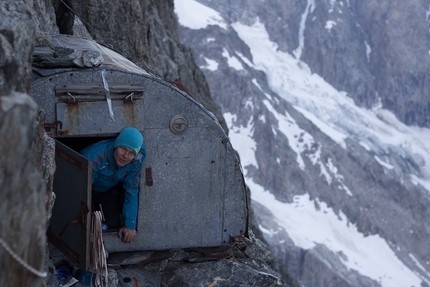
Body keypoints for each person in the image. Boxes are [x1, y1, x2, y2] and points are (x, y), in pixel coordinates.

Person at [81, 127, 146, 243]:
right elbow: (80, 189)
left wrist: (130, 224)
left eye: (131, 152)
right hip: (85, 189)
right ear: (116, 145)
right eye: (123, 148)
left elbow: (132, 190)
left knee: (112, 224)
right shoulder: (95, 156)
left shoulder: (135, 161)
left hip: (107, 189)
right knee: (88, 225)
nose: (125, 156)